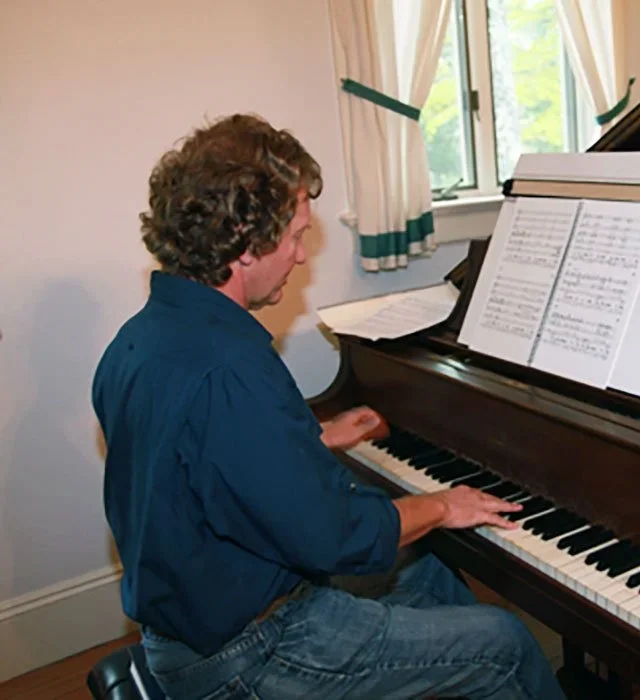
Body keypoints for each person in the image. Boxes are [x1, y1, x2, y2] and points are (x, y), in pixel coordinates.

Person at [92, 114, 567, 700]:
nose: (299, 256)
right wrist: (442, 504)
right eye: (294, 236)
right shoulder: (231, 369)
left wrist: (310, 441)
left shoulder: (142, 339)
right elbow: (331, 536)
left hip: (198, 618)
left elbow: (204, 464)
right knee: (506, 644)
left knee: (424, 571)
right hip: (248, 653)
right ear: (245, 243)